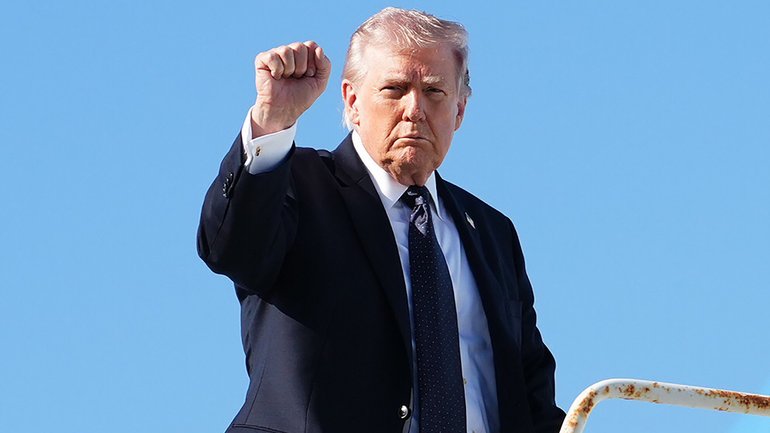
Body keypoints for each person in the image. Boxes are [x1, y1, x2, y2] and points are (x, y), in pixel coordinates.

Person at [198, 7, 565, 433]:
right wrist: (272, 119)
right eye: (394, 89)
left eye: (434, 91)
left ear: (460, 110)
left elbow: (530, 383)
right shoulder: (296, 183)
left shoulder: (492, 232)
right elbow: (231, 248)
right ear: (352, 101)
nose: (415, 109)